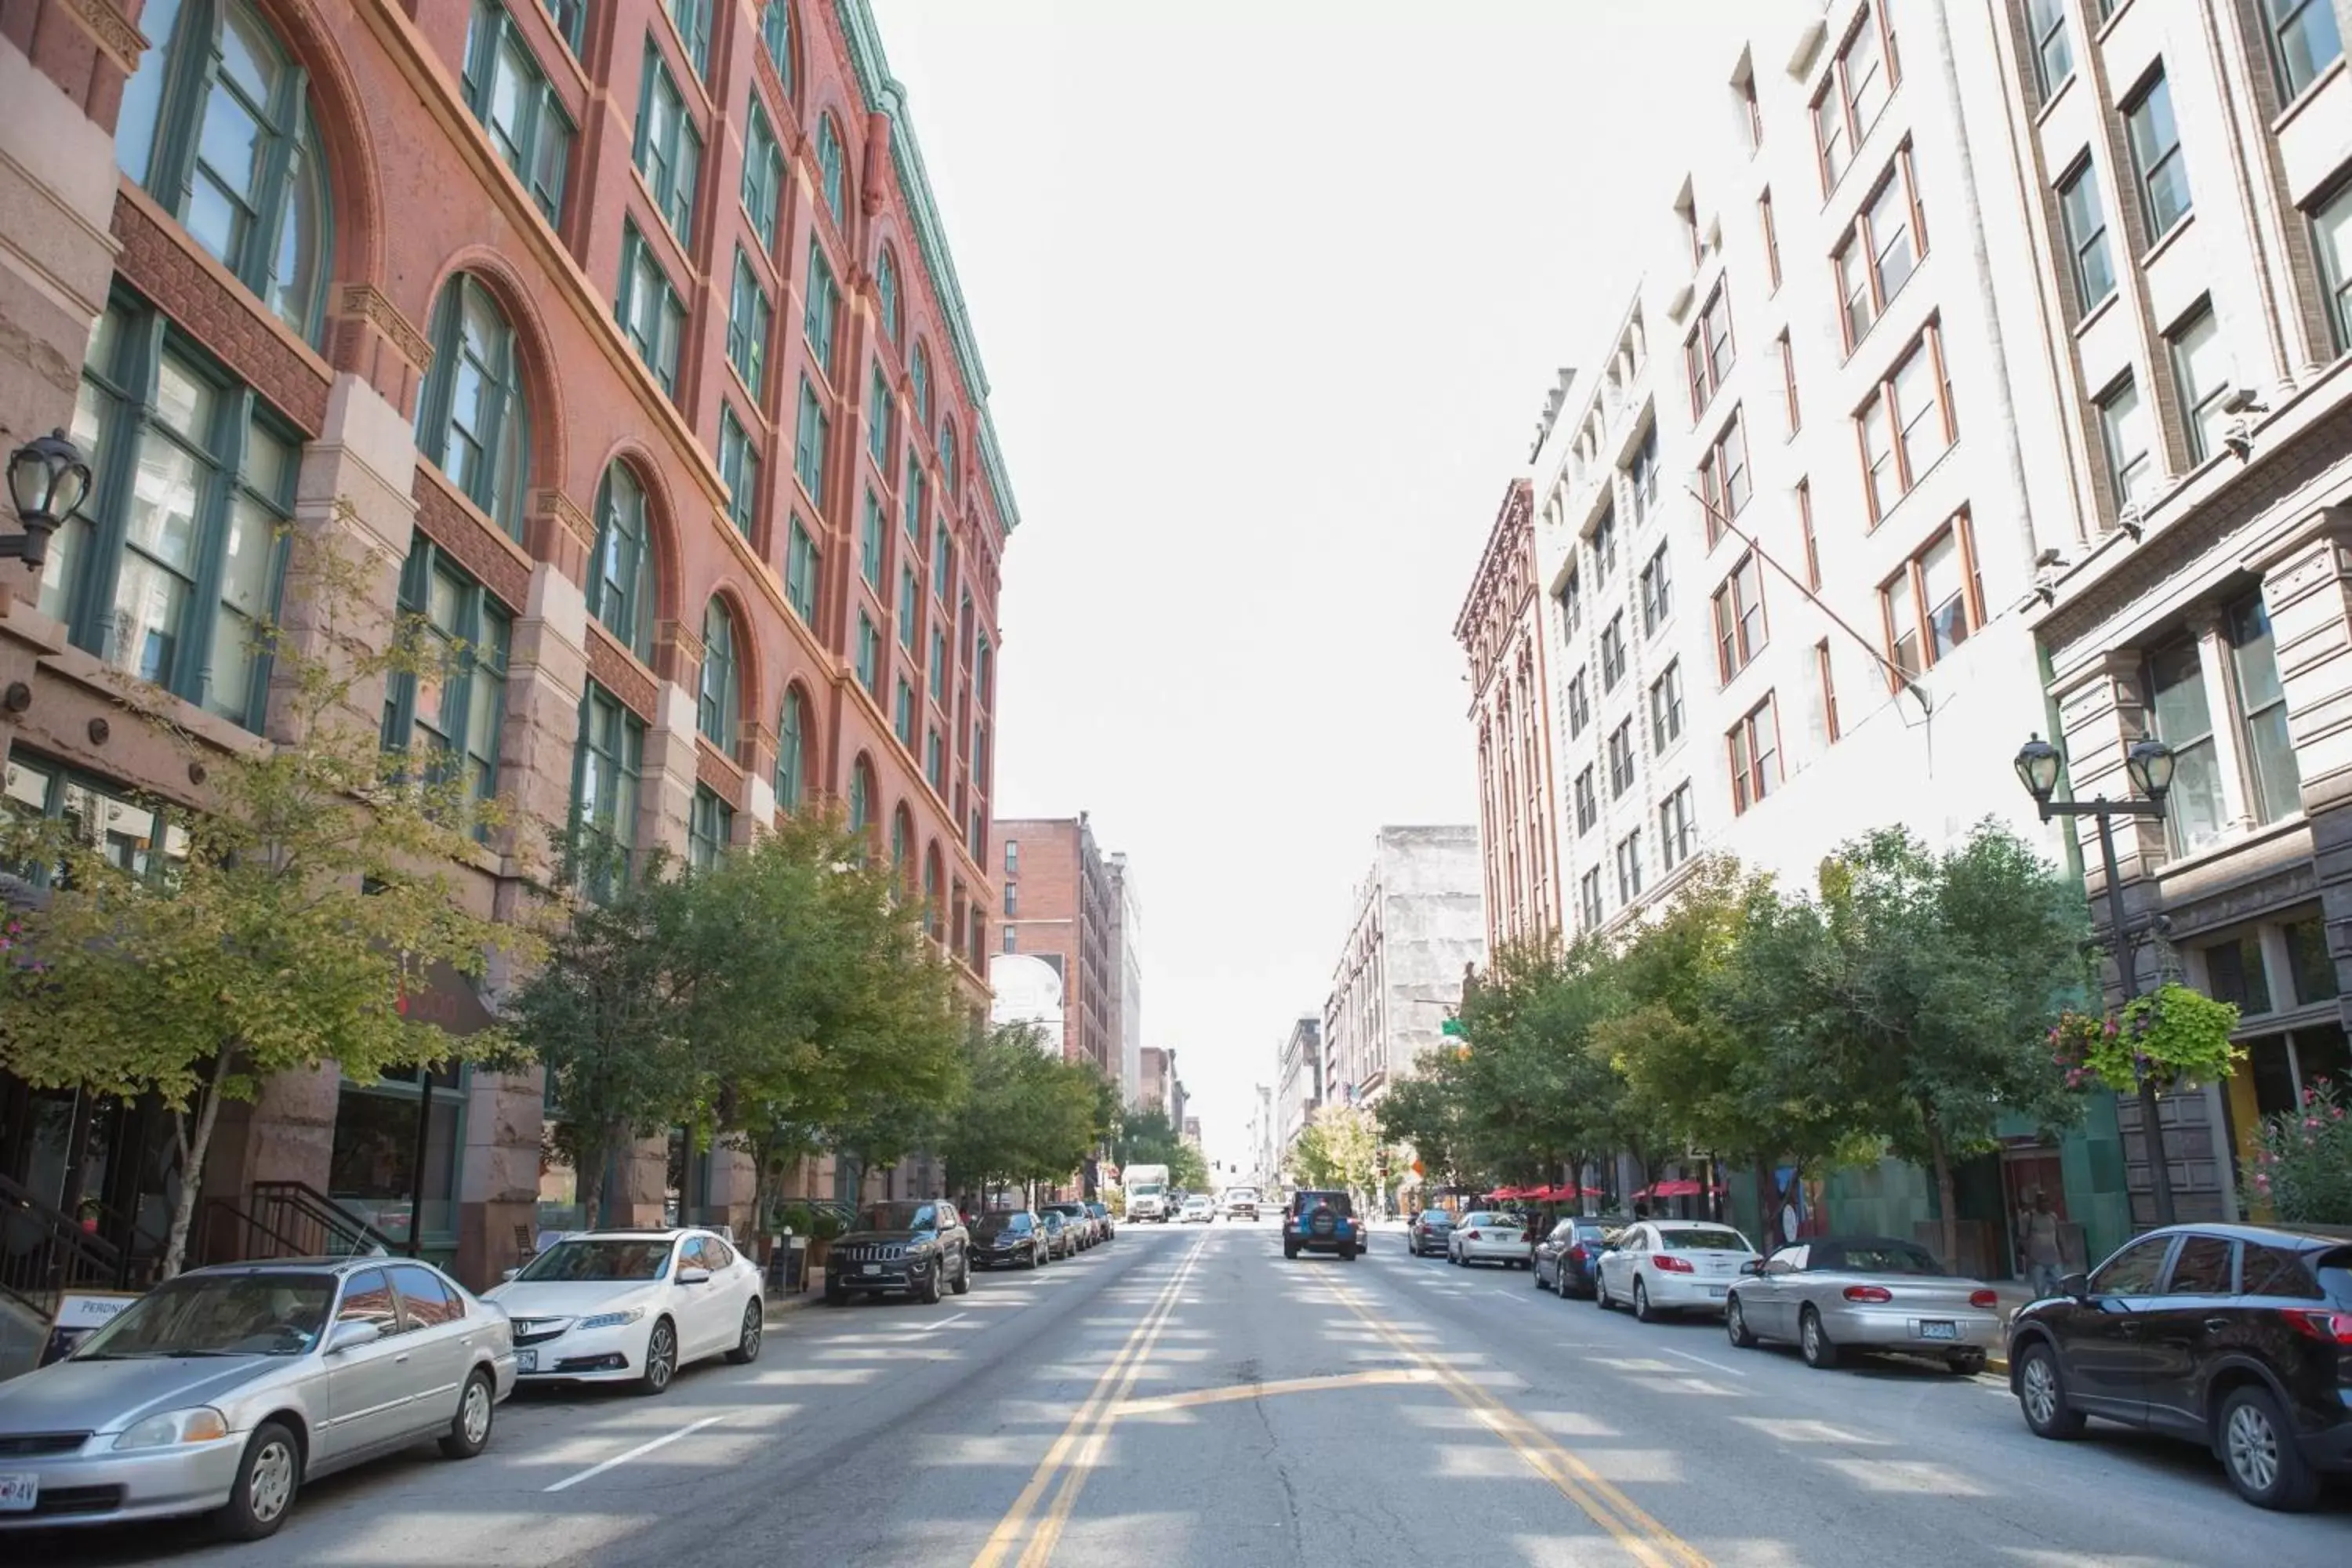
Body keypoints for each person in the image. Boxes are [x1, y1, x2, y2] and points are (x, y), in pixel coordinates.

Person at [2018, 1189, 2064, 1298]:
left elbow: (2058, 1236)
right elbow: (2022, 1238)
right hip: (2037, 1260)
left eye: (2047, 1201)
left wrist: (2064, 1253)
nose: (2046, 1204)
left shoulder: (2053, 1216)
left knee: (2060, 1285)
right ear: (2037, 1203)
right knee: (2040, 1289)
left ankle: (2052, 1301)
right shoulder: (2029, 1217)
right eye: (2043, 1201)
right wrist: (2029, 1256)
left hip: (2054, 1258)